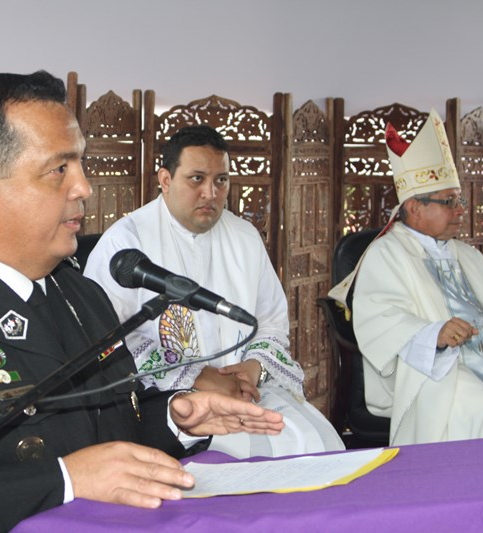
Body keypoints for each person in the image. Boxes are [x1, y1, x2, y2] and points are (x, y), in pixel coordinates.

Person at [0, 71, 284, 532]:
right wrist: (64, 481)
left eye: (79, 165)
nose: (84, 187)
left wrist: (177, 417)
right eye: (59, 169)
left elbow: (110, 431)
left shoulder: (80, 295)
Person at [84, 125, 343, 458]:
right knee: (246, 460)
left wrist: (254, 368)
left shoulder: (244, 236)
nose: (210, 192)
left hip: (247, 389)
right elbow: (108, 341)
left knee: (317, 440)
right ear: (165, 179)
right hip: (167, 401)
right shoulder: (125, 242)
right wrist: (198, 376)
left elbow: (271, 323)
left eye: (221, 180)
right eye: (197, 179)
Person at [339, 109, 483, 446]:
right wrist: (435, 334)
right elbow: (381, 320)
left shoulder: (465, 254)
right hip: (436, 371)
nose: (461, 209)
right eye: (449, 201)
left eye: (459, 199)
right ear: (414, 208)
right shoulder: (387, 254)